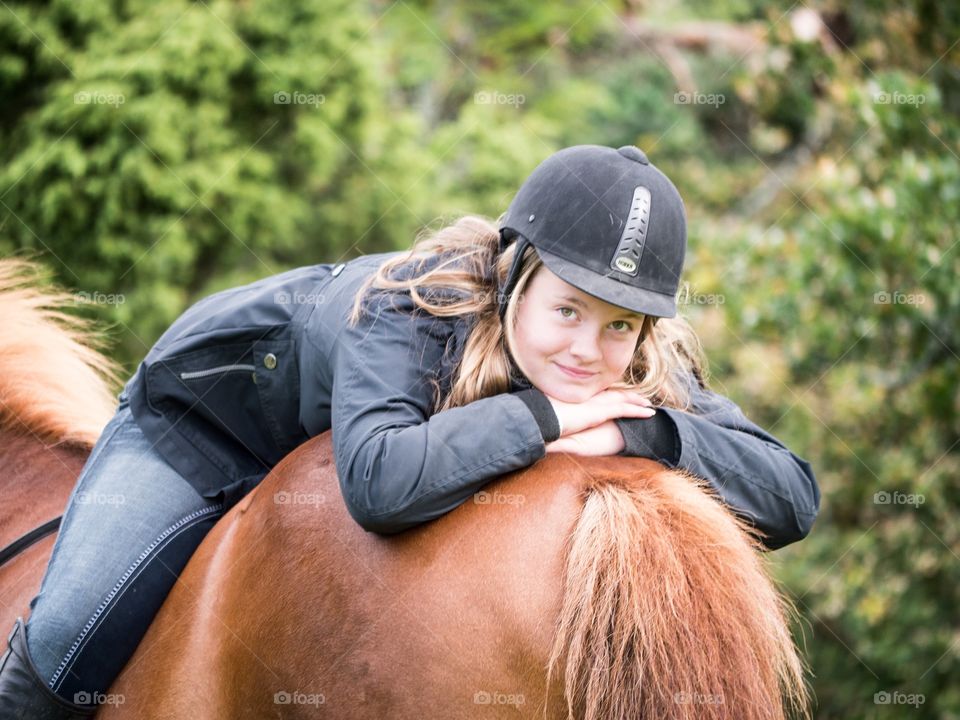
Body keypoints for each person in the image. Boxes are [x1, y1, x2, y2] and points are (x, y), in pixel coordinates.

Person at [0, 144, 820, 717]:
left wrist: (632, 437)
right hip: (203, 425)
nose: (587, 351)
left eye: (618, 327)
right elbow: (382, 485)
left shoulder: (631, 359)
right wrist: (546, 418)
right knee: (63, 645)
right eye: (567, 310)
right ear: (514, 272)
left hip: (322, 437)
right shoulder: (411, 306)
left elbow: (792, 493)